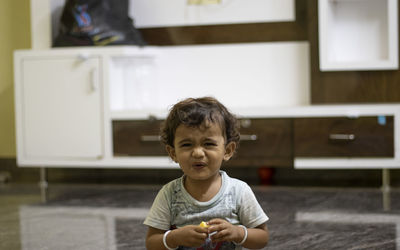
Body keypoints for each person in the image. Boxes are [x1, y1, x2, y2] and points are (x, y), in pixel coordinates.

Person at [144, 97, 269, 250]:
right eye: (186, 144)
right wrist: (174, 237)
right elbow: (151, 243)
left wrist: (237, 232)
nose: (197, 153)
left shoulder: (239, 191)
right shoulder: (169, 194)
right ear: (173, 153)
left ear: (227, 150)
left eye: (208, 143)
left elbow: (262, 237)